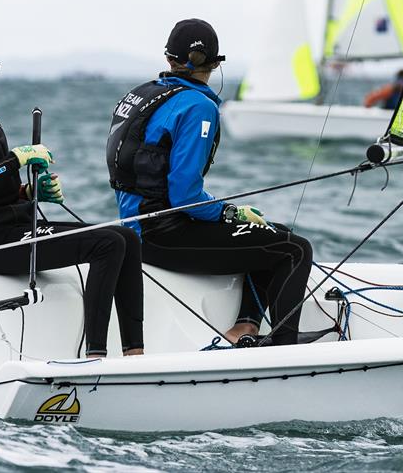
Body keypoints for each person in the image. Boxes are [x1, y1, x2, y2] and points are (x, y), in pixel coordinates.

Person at [0, 34, 143, 358]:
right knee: (109, 244)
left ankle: (135, 353)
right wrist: (15, 160)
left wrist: (29, 191)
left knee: (126, 238)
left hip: (15, 224)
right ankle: (95, 357)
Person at [106, 19, 313, 346]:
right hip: (162, 237)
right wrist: (231, 212)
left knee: (274, 231)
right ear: (215, 64)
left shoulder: (143, 94)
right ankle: (285, 347)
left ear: (169, 58)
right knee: (294, 249)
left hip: (134, 231)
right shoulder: (199, 105)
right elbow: (185, 195)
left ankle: (245, 326)